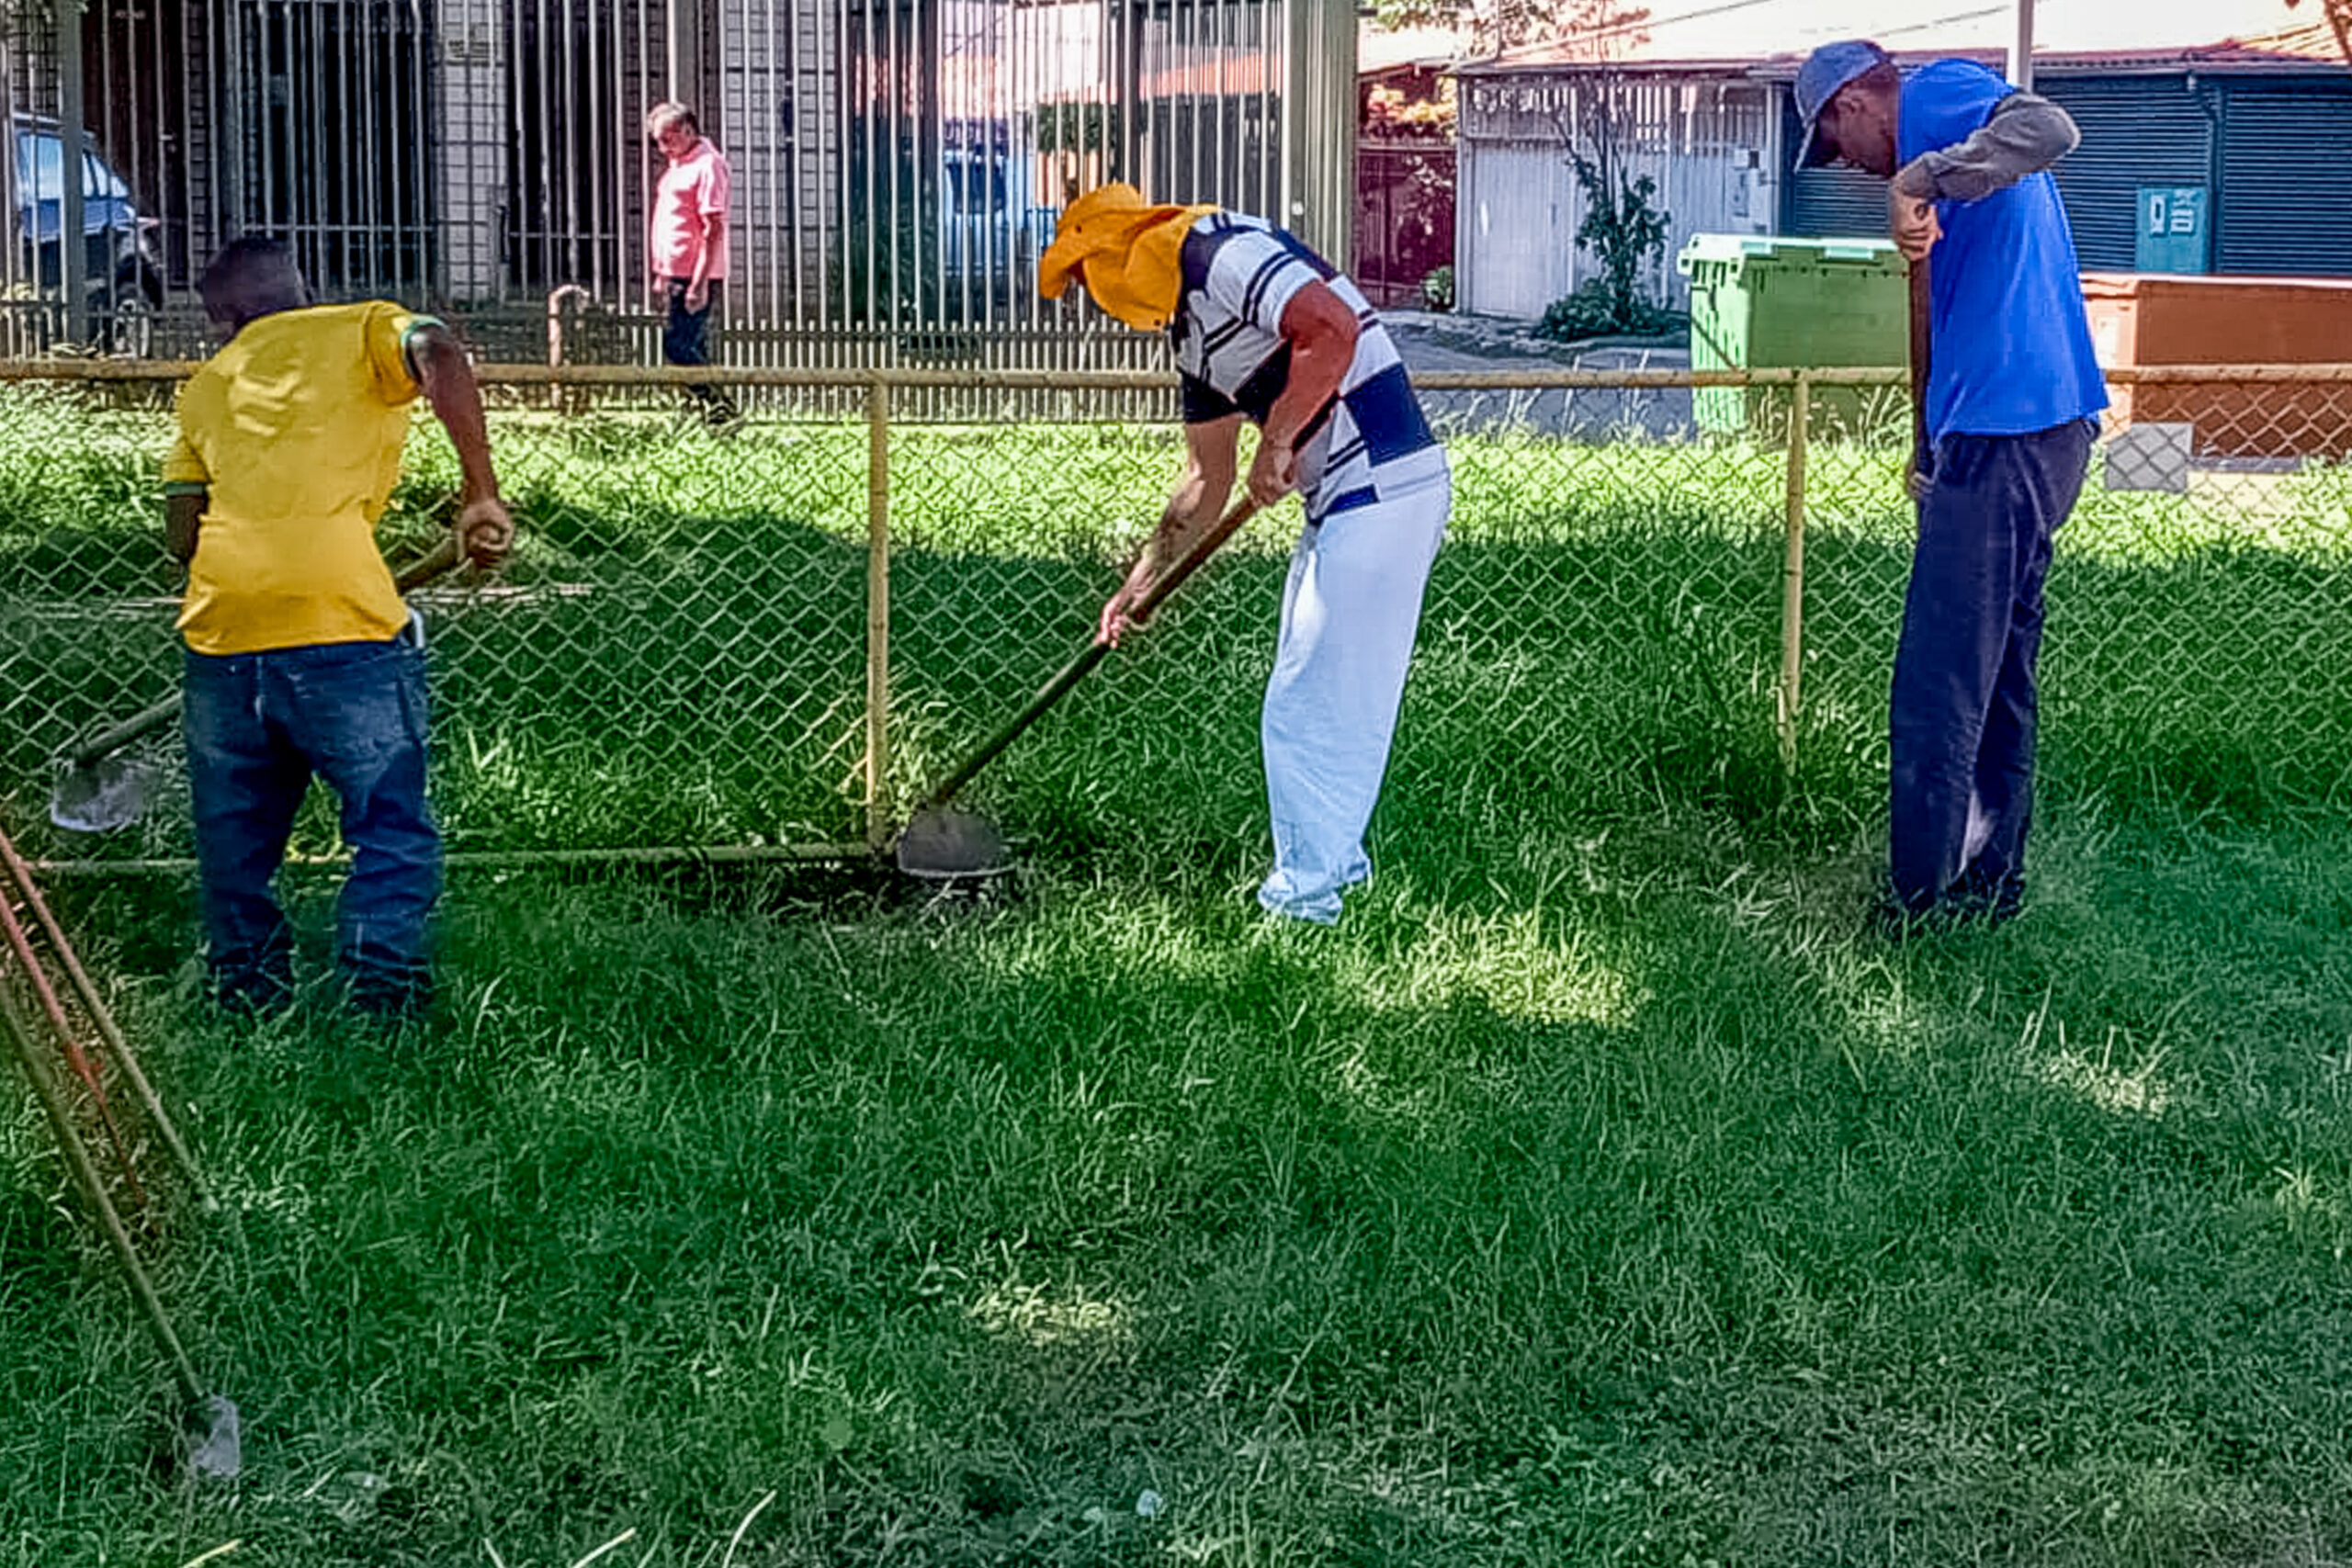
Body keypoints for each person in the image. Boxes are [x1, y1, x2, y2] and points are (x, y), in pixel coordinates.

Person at [1037, 184, 1451, 925]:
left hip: (1384, 486)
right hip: (1345, 502)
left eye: (1082, 277)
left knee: (1309, 706)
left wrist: (1282, 435)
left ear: (1115, 254)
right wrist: (1141, 582)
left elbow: (1330, 330)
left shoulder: (1225, 253)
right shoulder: (1192, 334)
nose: (1088, 297)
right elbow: (1207, 478)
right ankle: (1339, 870)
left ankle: (1306, 901)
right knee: (1322, 697)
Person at [1792, 40, 2108, 932]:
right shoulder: (1931, 168)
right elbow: (1928, 304)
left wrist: (1918, 174)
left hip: (2010, 428)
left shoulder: (1938, 95)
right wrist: (1925, 446)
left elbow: (2049, 126)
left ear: (1856, 99)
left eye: (1832, 141)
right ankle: (1987, 881)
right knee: (1998, 669)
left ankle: (1919, 902)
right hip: (2022, 425)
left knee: (1940, 676)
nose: (1845, 166)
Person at [162, 237, 513, 1020]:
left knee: (235, 846)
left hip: (222, 634)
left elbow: (182, 534)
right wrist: (479, 492)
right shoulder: (362, 328)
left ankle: (248, 1000)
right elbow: (438, 350)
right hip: (342, 624)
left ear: (223, 319)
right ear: (304, 288)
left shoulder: (206, 386)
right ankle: (381, 1006)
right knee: (388, 826)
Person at [645, 101, 740, 433]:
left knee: (678, 345)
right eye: (658, 140)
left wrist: (698, 282)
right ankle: (704, 414)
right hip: (675, 271)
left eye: (666, 139)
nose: (661, 147)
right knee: (688, 346)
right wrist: (661, 272)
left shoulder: (707, 166)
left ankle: (722, 410)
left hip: (692, 273)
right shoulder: (679, 164)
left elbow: (712, 227)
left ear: (688, 129)